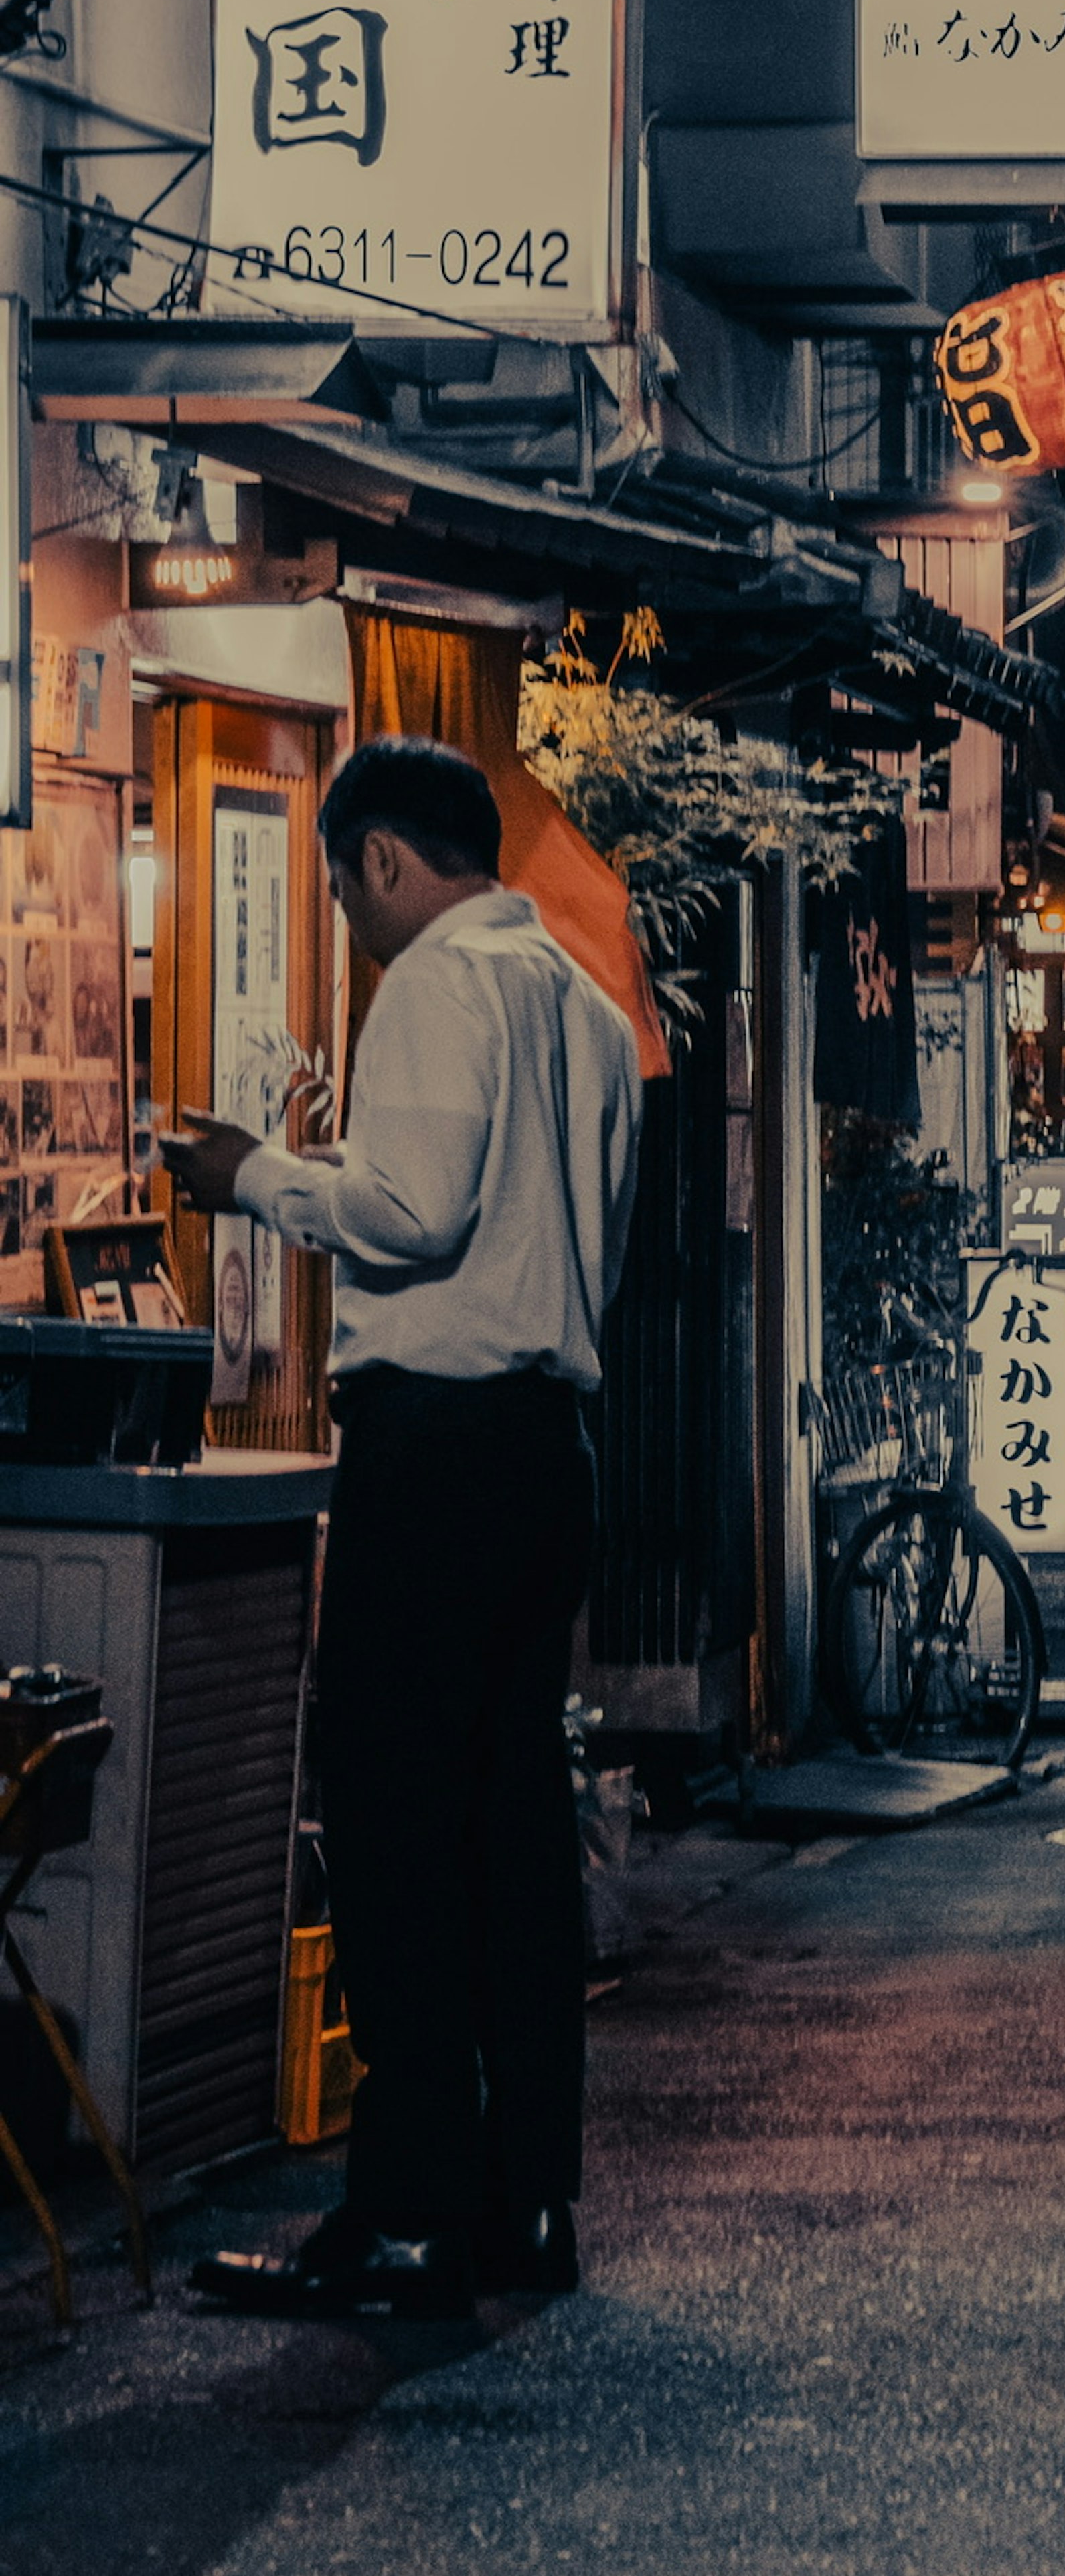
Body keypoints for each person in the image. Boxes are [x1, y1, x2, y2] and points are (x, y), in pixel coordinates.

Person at [170, 737, 643, 2325]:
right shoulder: (581, 1001)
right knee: (511, 1828)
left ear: (381, 858)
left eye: (344, 886)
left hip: (435, 1448)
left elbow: (414, 1207)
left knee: (389, 1814)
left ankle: (412, 2205)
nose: (353, 921)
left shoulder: (441, 981)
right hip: (548, 1443)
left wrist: (259, 1177)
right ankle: (526, 2196)